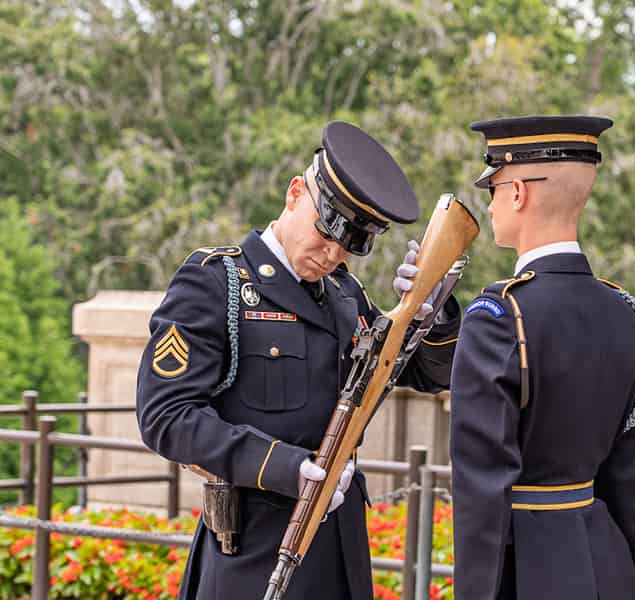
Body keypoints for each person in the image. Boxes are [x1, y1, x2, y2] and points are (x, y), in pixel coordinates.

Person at [136, 120, 460, 600]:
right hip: (254, 553)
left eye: (350, 245)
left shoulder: (345, 296)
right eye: (326, 231)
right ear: (294, 194)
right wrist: (283, 466)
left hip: (339, 553)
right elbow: (166, 416)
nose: (332, 254)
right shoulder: (216, 283)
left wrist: (435, 308)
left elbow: (424, 372)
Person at [449, 115, 635, 600]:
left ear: (519, 193)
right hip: (603, 563)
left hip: (524, 573)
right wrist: (627, 579)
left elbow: (480, 493)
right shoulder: (627, 314)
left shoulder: (498, 316)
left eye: (494, 188)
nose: (490, 204)